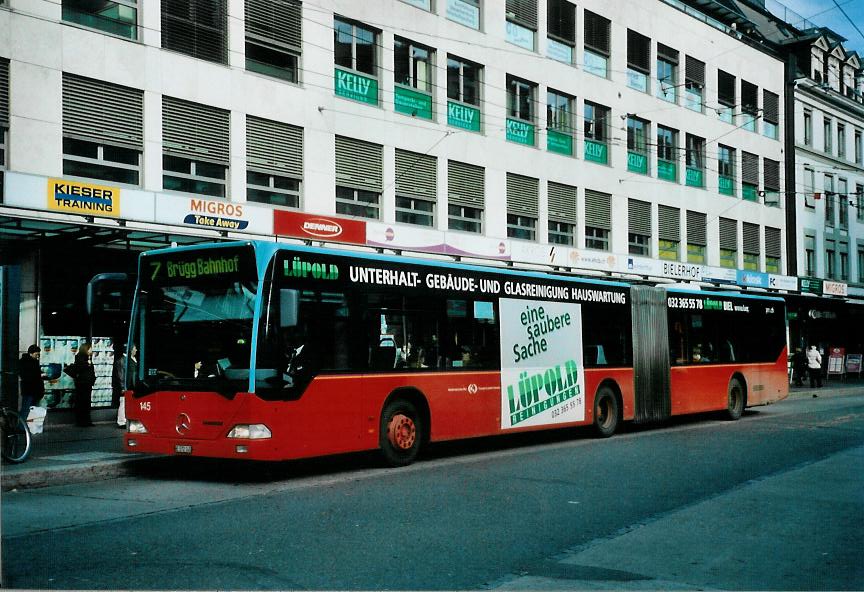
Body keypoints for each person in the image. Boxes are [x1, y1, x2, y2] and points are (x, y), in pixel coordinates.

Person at [18, 344, 49, 421]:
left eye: (38, 354)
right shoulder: (25, 362)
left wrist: (42, 375)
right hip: (30, 390)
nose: (38, 356)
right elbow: (27, 376)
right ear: (31, 353)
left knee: (31, 410)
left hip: (33, 390)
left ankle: (29, 426)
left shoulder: (33, 361)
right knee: (27, 409)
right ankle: (23, 427)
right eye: (36, 354)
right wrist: (40, 375)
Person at [72, 342, 97, 427]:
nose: (91, 350)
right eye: (90, 348)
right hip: (82, 384)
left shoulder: (88, 358)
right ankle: (81, 421)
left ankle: (87, 420)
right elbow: (79, 369)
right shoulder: (80, 358)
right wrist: (87, 364)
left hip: (87, 383)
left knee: (87, 402)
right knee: (82, 402)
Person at [116, 344, 137, 428]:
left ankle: (126, 419)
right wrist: (122, 387)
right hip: (126, 385)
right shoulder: (123, 360)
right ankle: (121, 421)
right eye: (135, 348)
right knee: (123, 402)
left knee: (127, 402)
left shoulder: (131, 359)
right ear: (130, 349)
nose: (136, 350)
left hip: (131, 384)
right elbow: (121, 375)